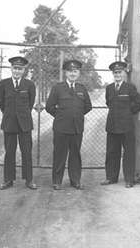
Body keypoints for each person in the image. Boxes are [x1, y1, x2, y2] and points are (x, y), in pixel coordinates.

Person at [45, 59, 92, 190]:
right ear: (66, 73)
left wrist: (76, 115)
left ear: (78, 73)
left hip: (77, 128)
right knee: (59, 155)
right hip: (61, 128)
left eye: (75, 71)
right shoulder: (58, 88)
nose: (72, 73)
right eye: (70, 71)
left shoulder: (82, 89)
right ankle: (57, 181)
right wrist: (61, 116)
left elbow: (88, 106)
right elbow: (49, 107)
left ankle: (75, 180)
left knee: (75, 155)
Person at [100, 61, 140, 188]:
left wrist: (129, 112)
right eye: (115, 72)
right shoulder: (109, 88)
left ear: (124, 73)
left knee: (129, 153)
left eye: (120, 72)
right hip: (112, 126)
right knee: (112, 152)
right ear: (113, 74)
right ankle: (111, 177)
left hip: (126, 126)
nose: (117, 74)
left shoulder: (130, 87)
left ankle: (129, 179)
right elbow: (109, 103)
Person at [0, 56, 37, 190]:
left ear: (24, 70)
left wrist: (22, 115)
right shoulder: (3, 84)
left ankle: (29, 180)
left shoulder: (29, 85)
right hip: (9, 123)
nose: (17, 71)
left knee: (26, 152)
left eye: (20, 69)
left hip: (24, 124)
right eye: (15, 68)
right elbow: (2, 103)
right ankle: (8, 180)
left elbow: (30, 104)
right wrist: (10, 115)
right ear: (11, 69)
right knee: (9, 152)